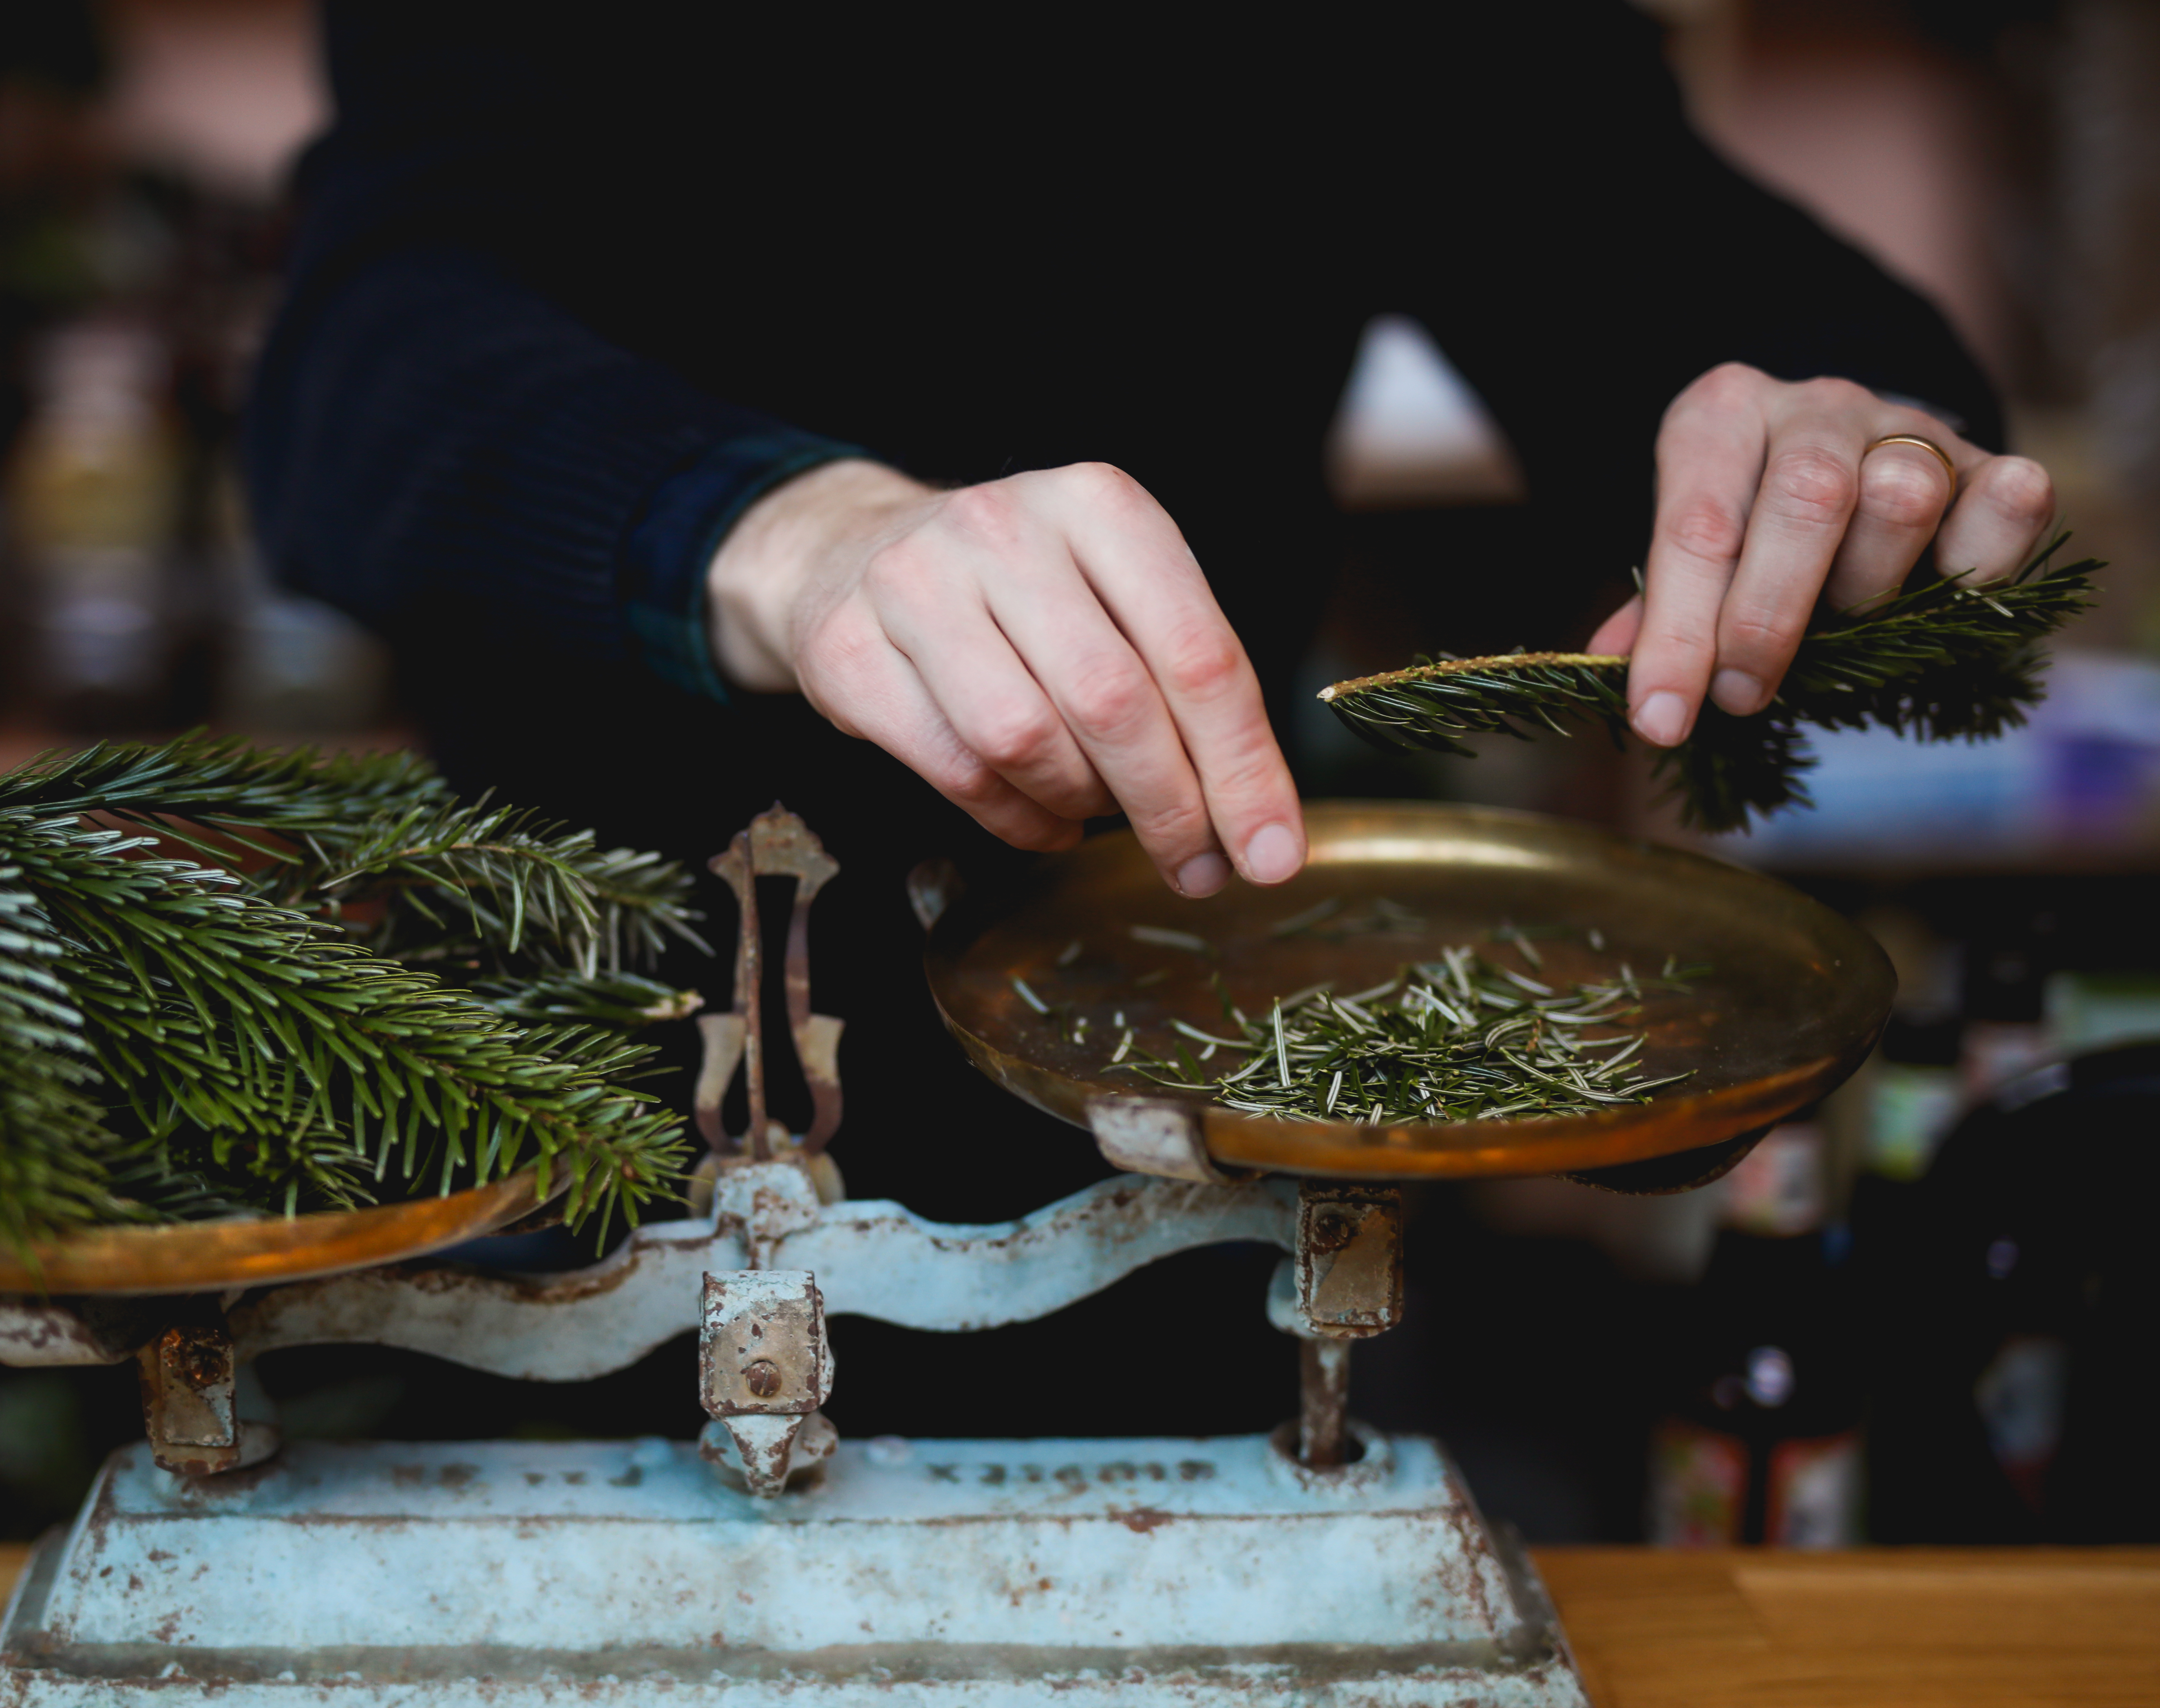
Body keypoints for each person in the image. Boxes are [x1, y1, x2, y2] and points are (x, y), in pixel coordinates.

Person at [243, 6, 2049, 1255]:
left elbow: (1633, 234)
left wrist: (1846, 442)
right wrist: (789, 534)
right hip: (583, 1059)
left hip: (1180, 1069)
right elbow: (357, 356)